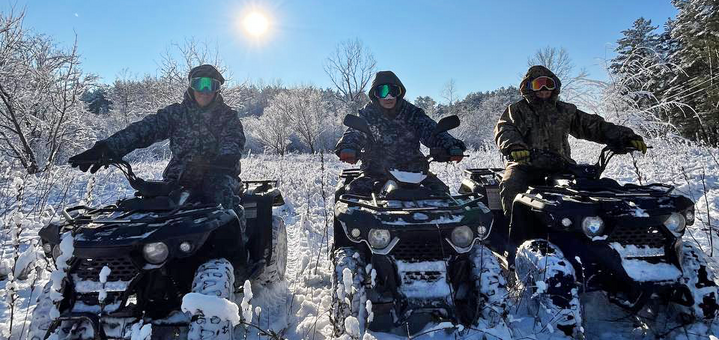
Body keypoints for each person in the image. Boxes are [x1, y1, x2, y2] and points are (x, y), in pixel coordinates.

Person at [68, 64, 246, 219]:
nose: (204, 91)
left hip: (218, 174)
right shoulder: (176, 114)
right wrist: (108, 148)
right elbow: (144, 130)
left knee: (222, 201)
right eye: (199, 83)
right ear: (191, 86)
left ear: (217, 89)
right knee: (152, 206)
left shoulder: (227, 117)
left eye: (211, 85)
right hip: (179, 176)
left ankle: (237, 252)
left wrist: (226, 158)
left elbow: (233, 140)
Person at [495, 65, 647, 216]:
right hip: (525, 165)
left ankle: (590, 230)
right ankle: (514, 231)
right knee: (510, 185)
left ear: (555, 86)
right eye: (538, 84)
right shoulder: (517, 110)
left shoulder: (565, 111)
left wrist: (624, 137)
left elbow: (593, 126)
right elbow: (505, 129)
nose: (544, 89)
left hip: (561, 164)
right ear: (528, 88)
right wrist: (514, 147)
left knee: (591, 189)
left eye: (549, 84)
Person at [335, 70, 466, 195]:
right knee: (354, 195)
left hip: (415, 172)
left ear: (400, 93)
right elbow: (355, 131)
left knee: (441, 193)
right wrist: (348, 147)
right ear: (375, 94)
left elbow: (431, 130)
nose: (389, 96)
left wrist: (450, 145)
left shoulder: (412, 113)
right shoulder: (368, 114)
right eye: (383, 92)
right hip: (376, 172)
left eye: (393, 91)